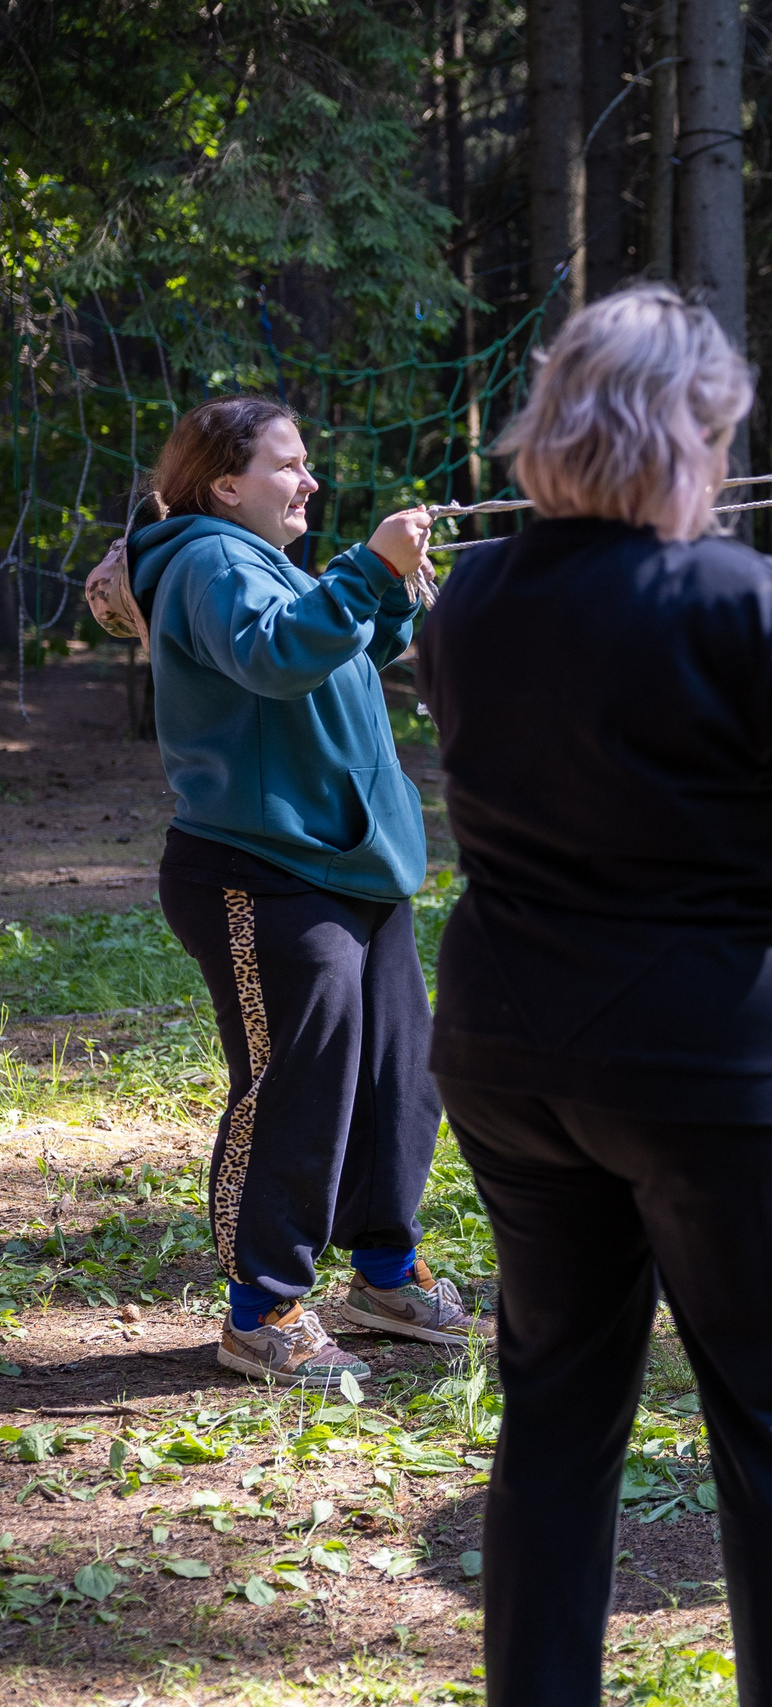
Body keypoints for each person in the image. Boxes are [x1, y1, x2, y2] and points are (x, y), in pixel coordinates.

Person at [413, 284, 772, 1707]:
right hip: (713, 1078)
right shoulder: (737, 598)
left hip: (514, 1055)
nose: (727, 468)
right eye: (719, 440)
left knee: (555, 1406)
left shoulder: (473, 598)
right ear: (678, 436)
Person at [95, 396, 478, 1388]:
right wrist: (368, 567)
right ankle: (260, 1311)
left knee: (399, 1081)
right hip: (260, 871)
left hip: (352, 867)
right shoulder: (209, 560)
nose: (309, 482)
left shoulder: (264, 564)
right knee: (297, 1092)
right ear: (228, 483)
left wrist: (383, 592)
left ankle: (385, 1276)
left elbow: (334, 647)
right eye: (289, 465)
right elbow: (272, 660)